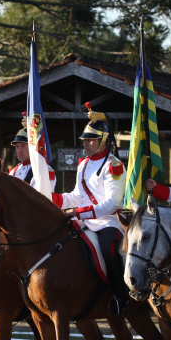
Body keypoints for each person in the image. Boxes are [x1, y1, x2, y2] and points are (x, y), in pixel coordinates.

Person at [51, 104, 128, 316]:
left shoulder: (114, 165)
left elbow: (113, 202)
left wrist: (79, 212)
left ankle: (119, 295)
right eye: (85, 140)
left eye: (91, 140)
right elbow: (76, 195)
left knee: (109, 250)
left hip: (108, 222)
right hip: (85, 221)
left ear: (103, 140)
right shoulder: (83, 164)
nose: (86, 143)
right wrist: (53, 199)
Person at [8, 113, 57, 190]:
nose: (19, 150)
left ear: (33, 147)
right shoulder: (13, 171)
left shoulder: (43, 169)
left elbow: (42, 197)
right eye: (17, 147)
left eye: (23, 146)